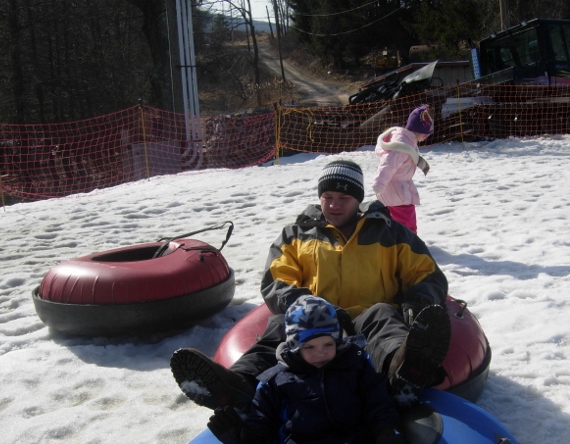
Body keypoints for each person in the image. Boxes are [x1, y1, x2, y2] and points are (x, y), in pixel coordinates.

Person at [170, 158, 451, 412]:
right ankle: (237, 385)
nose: (334, 204)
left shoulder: (389, 231)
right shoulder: (297, 234)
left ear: (359, 200)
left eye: (344, 197)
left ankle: (404, 373)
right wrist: (306, 306)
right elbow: (278, 279)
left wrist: (418, 303)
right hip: (316, 318)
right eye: (327, 196)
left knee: (384, 316)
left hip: (369, 316)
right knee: (280, 325)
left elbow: (425, 273)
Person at [206, 295, 410, 444]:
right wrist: (247, 439)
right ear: (294, 347)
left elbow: (378, 403)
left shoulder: (355, 365)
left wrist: (387, 433)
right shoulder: (277, 379)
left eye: (327, 345)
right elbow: (263, 418)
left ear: (337, 342)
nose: (320, 353)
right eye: (309, 347)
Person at [371, 105, 435, 233]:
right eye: (426, 134)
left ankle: (398, 240)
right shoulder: (401, 145)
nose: (426, 137)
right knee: (406, 221)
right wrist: (379, 183)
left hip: (399, 189)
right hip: (397, 192)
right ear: (418, 129)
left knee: (398, 219)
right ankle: (409, 243)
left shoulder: (408, 141)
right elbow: (388, 164)